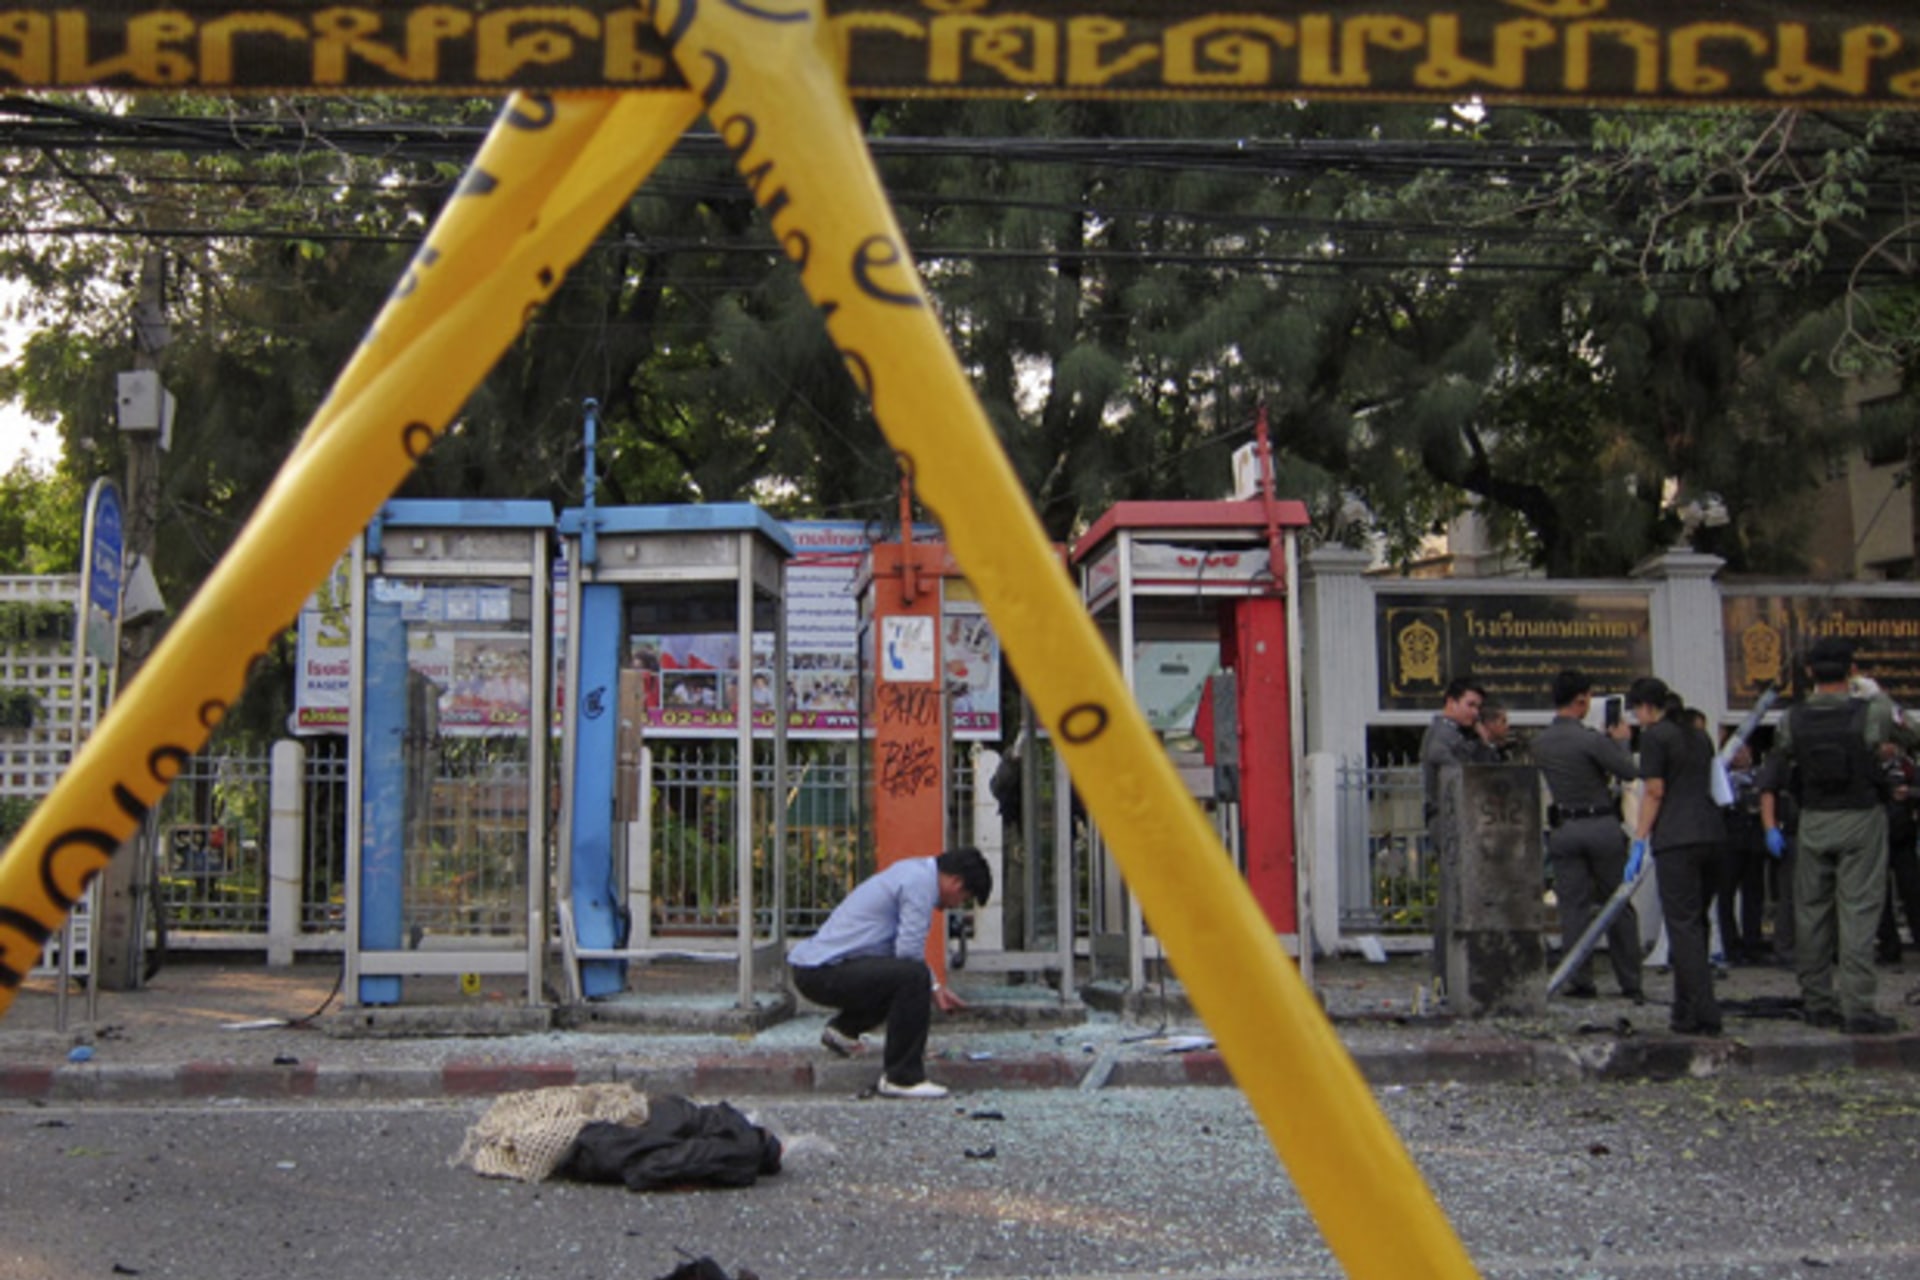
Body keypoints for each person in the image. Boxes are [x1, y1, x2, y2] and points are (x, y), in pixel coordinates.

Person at [1761, 639, 1898, 1035]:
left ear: (1809, 673)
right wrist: (1878, 694)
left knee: (1810, 913)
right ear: (1852, 670)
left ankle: (1817, 1002)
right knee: (1858, 912)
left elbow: (1779, 763)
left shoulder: (1793, 718)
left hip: (1813, 820)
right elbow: (1911, 732)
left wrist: (1771, 825)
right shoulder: (1871, 711)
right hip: (1861, 818)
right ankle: (1858, 1008)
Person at [787, 847, 993, 1099]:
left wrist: (934, 986)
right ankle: (902, 1077)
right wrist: (934, 987)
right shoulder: (920, 885)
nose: (957, 905)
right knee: (913, 976)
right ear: (956, 882)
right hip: (822, 970)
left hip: (816, 968)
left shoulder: (914, 870)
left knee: (899, 977)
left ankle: (843, 1031)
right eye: (964, 897)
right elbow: (909, 952)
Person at [1531, 669, 1643, 1002]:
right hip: (1600, 825)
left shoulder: (1541, 742)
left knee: (1573, 907)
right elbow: (1628, 770)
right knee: (1617, 903)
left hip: (1565, 827)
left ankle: (1578, 978)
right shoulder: (1591, 740)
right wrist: (1620, 742)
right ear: (1581, 700)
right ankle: (1630, 980)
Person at [1627, 676, 1726, 1036]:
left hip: (1676, 838)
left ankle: (1704, 1010)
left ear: (1646, 707)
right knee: (1698, 923)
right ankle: (1684, 1010)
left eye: (1636, 711)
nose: (1636, 718)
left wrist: (1639, 839)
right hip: (1712, 833)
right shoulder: (1699, 736)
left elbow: (1654, 791)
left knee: (1682, 927)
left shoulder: (1655, 737)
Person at [1421, 677, 1492, 990]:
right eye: (1470, 705)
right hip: (1450, 821)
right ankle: (1445, 975)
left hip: (1465, 820)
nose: (1475, 712)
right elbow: (1459, 772)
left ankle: (1458, 973)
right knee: (1453, 900)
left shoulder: (1461, 736)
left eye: (1478, 707)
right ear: (1451, 702)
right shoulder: (1441, 737)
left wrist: (1483, 743)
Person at [1873, 741, 1920, 966]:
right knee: (1879, 899)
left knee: (1913, 894)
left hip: (1903, 839)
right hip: (1875, 840)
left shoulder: (1907, 768)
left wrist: (1909, 793)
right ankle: (1889, 947)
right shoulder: (1869, 767)